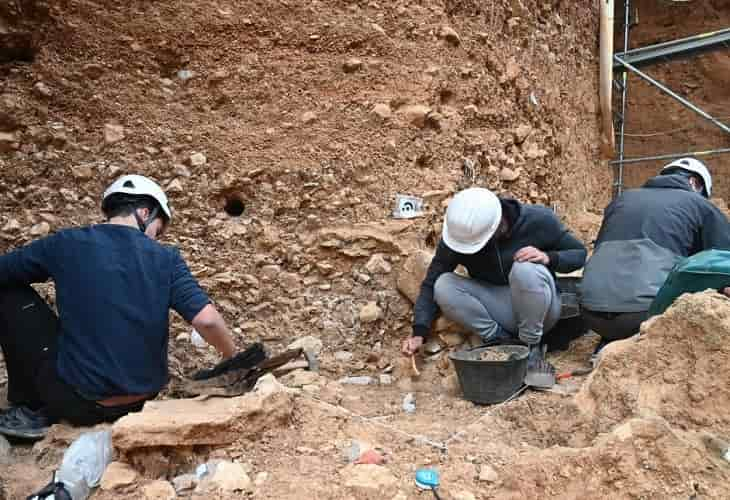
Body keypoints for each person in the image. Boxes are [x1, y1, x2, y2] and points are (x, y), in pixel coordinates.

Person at [0, 174, 236, 439]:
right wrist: (233, 360)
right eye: (157, 230)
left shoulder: (67, 243)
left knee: (7, 292)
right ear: (144, 212)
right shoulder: (167, 258)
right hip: (142, 402)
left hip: (78, 404)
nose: (154, 240)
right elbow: (208, 321)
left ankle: (30, 407)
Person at [401, 187, 587, 388]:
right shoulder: (461, 235)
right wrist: (419, 330)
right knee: (443, 285)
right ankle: (501, 341)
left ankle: (530, 348)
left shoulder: (539, 219)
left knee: (524, 268)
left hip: (541, 311)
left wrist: (548, 257)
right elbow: (431, 282)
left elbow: (579, 253)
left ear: (498, 225)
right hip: (501, 307)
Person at [581, 157, 730, 355]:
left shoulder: (622, 200)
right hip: (644, 316)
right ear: (695, 182)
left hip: (590, 314)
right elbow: (723, 260)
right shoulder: (701, 205)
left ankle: (615, 342)